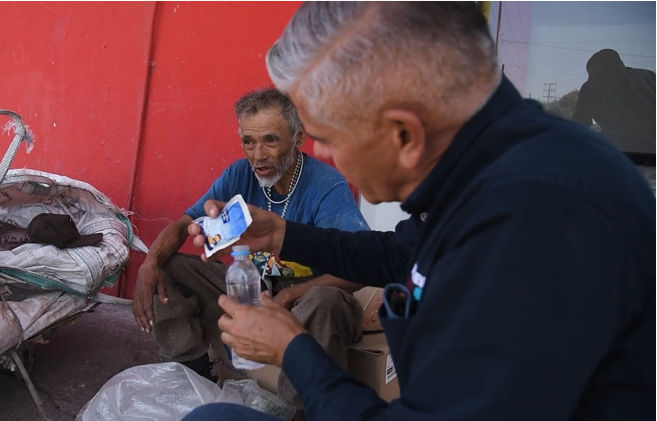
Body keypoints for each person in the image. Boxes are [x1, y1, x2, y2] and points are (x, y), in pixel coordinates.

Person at [184, 2, 655, 421]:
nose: (322, 153)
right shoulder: (487, 168)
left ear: (404, 135)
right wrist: (282, 234)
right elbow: (397, 253)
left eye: (328, 136)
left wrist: (292, 349)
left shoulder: (535, 223)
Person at [131, 87, 369, 418]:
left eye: (271, 140)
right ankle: (193, 378)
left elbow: (362, 265)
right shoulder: (239, 174)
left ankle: (299, 410)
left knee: (324, 301)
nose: (258, 156)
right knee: (168, 266)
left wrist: (290, 295)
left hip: (308, 300)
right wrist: (149, 264)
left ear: (298, 137)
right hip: (253, 290)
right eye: (249, 142)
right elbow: (185, 223)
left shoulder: (326, 186)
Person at [572, 48, 656, 166]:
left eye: (606, 75)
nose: (603, 82)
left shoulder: (646, 78)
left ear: (621, 69)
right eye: (597, 78)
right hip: (618, 155)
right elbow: (579, 125)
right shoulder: (589, 90)